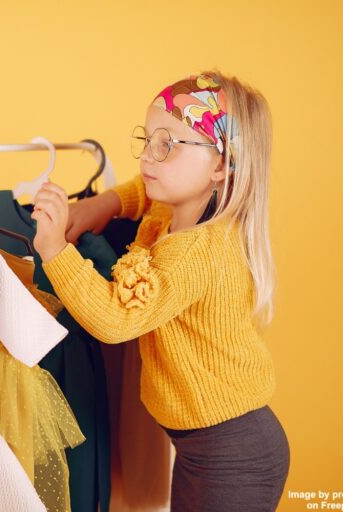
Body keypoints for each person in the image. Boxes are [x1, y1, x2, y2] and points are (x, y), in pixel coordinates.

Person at [30, 70, 290, 511]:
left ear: (222, 164)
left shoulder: (195, 254)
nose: (148, 158)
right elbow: (142, 194)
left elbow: (116, 320)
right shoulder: (176, 213)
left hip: (232, 453)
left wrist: (56, 251)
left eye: (167, 145)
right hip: (205, 447)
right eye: (147, 140)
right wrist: (103, 203)